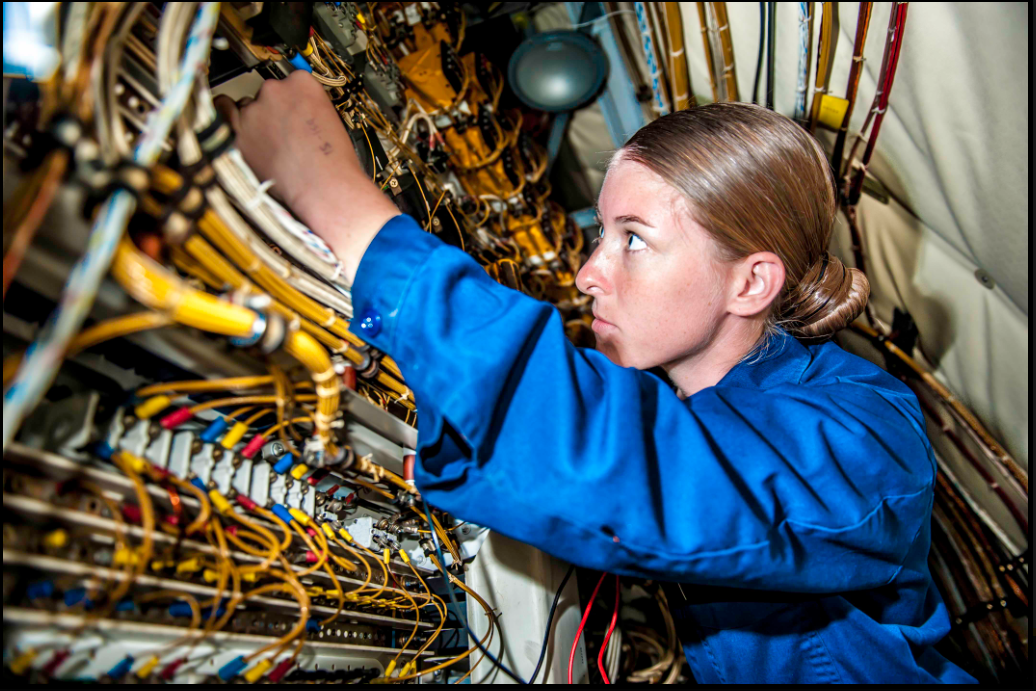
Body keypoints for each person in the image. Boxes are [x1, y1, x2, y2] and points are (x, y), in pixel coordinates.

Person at [215, 71, 975, 684]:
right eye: (600, 236)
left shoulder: (868, 427)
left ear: (751, 283)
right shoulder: (693, 401)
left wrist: (338, 201)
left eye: (633, 240)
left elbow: (646, 467)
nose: (586, 275)